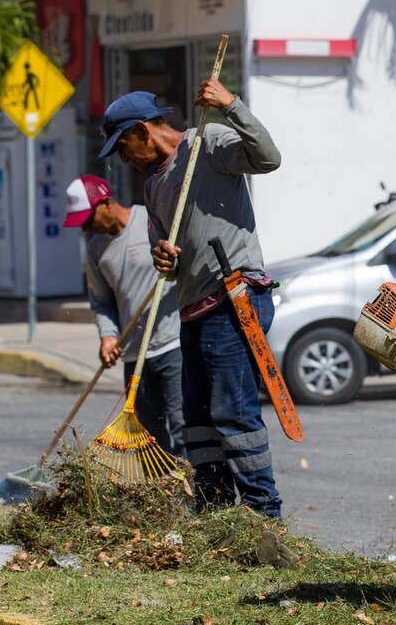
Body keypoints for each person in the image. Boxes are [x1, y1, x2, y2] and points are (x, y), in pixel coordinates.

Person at [98, 80, 284, 517]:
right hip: (193, 308)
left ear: (143, 131)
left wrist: (231, 106)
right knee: (198, 421)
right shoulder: (152, 188)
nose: (124, 159)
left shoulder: (209, 141)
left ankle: (262, 514)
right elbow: (168, 258)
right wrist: (165, 257)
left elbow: (269, 159)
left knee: (232, 412)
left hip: (233, 296)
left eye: (123, 147)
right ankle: (215, 514)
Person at [63, 174, 184, 456]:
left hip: (173, 343)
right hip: (134, 355)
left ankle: (193, 489)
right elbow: (102, 302)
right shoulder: (96, 251)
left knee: (182, 424)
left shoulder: (151, 219)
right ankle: (162, 493)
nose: (85, 229)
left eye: (87, 220)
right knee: (149, 435)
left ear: (105, 203)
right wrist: (107, 336)